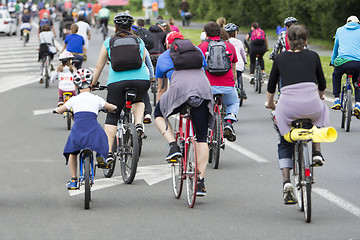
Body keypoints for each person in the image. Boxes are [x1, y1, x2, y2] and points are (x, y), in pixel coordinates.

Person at [265, 24, 329, 204]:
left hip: (287, 108)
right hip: (311, 105)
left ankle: (286, 182)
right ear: (306, 40)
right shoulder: (314, 56)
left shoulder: (280, 58)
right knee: (321, 114)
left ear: (288, 41)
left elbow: (271, 87)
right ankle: (317, 151)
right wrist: (321, 97)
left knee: (285, 141)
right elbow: (322, 85)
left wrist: (270, 104)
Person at [154, 31, 214, 196]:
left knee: (158, 114)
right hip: (202, 89)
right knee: (202, 138)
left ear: (168, 44)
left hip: (179, 90)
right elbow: (204, 70)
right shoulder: (197, 51)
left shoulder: (164, 56)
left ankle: (173, 146)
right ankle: (200, 182)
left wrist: (162, 106)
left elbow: (161, 89)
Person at [91, 12, 150, 164]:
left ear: (115, 27)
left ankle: (109, 152)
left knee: (112, 115)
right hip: (141, 80)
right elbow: (142, 61)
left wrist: (93, 84)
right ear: (131, 27)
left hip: (117, 82)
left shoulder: (109, 42)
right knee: (139, 99)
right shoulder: (138, 40)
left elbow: (99, 66)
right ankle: (138, 123)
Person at [54, 69, 117, 190]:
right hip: (93, 129)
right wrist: (115, 108)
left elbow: (61, 109)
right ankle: (100, 155)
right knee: (102, 136)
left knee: (73, 152)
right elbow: (110, 107)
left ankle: (73, 180)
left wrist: (56, 110)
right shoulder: (97, 98)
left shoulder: (73, 99)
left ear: (77, 85)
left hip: (78, 130)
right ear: (90, 83)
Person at [198, 21, 239, 142]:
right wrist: (233, 82)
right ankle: (229, 122)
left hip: (208, 86)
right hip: (227, 85)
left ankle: (203, 131)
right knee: (233, 103)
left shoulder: (201, 47)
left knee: (202, 108)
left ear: (206, 34)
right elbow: (234, 68)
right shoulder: (229, 46)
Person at [330, 16, 360, 115]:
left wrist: (333, 61)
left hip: (342, 62)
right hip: (358, 63)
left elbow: (336, 48)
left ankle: (337, 99)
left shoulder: (340, 30)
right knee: (358, 82)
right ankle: (358, 104)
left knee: (336, 75)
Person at [224, 23, 248, 100]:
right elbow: (243, 54)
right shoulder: (239, 42)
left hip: (228, 66)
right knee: (238, 76)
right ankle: (240, 90)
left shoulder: (224, 42)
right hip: (239, 65)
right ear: (235, 32)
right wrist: (245, 61)